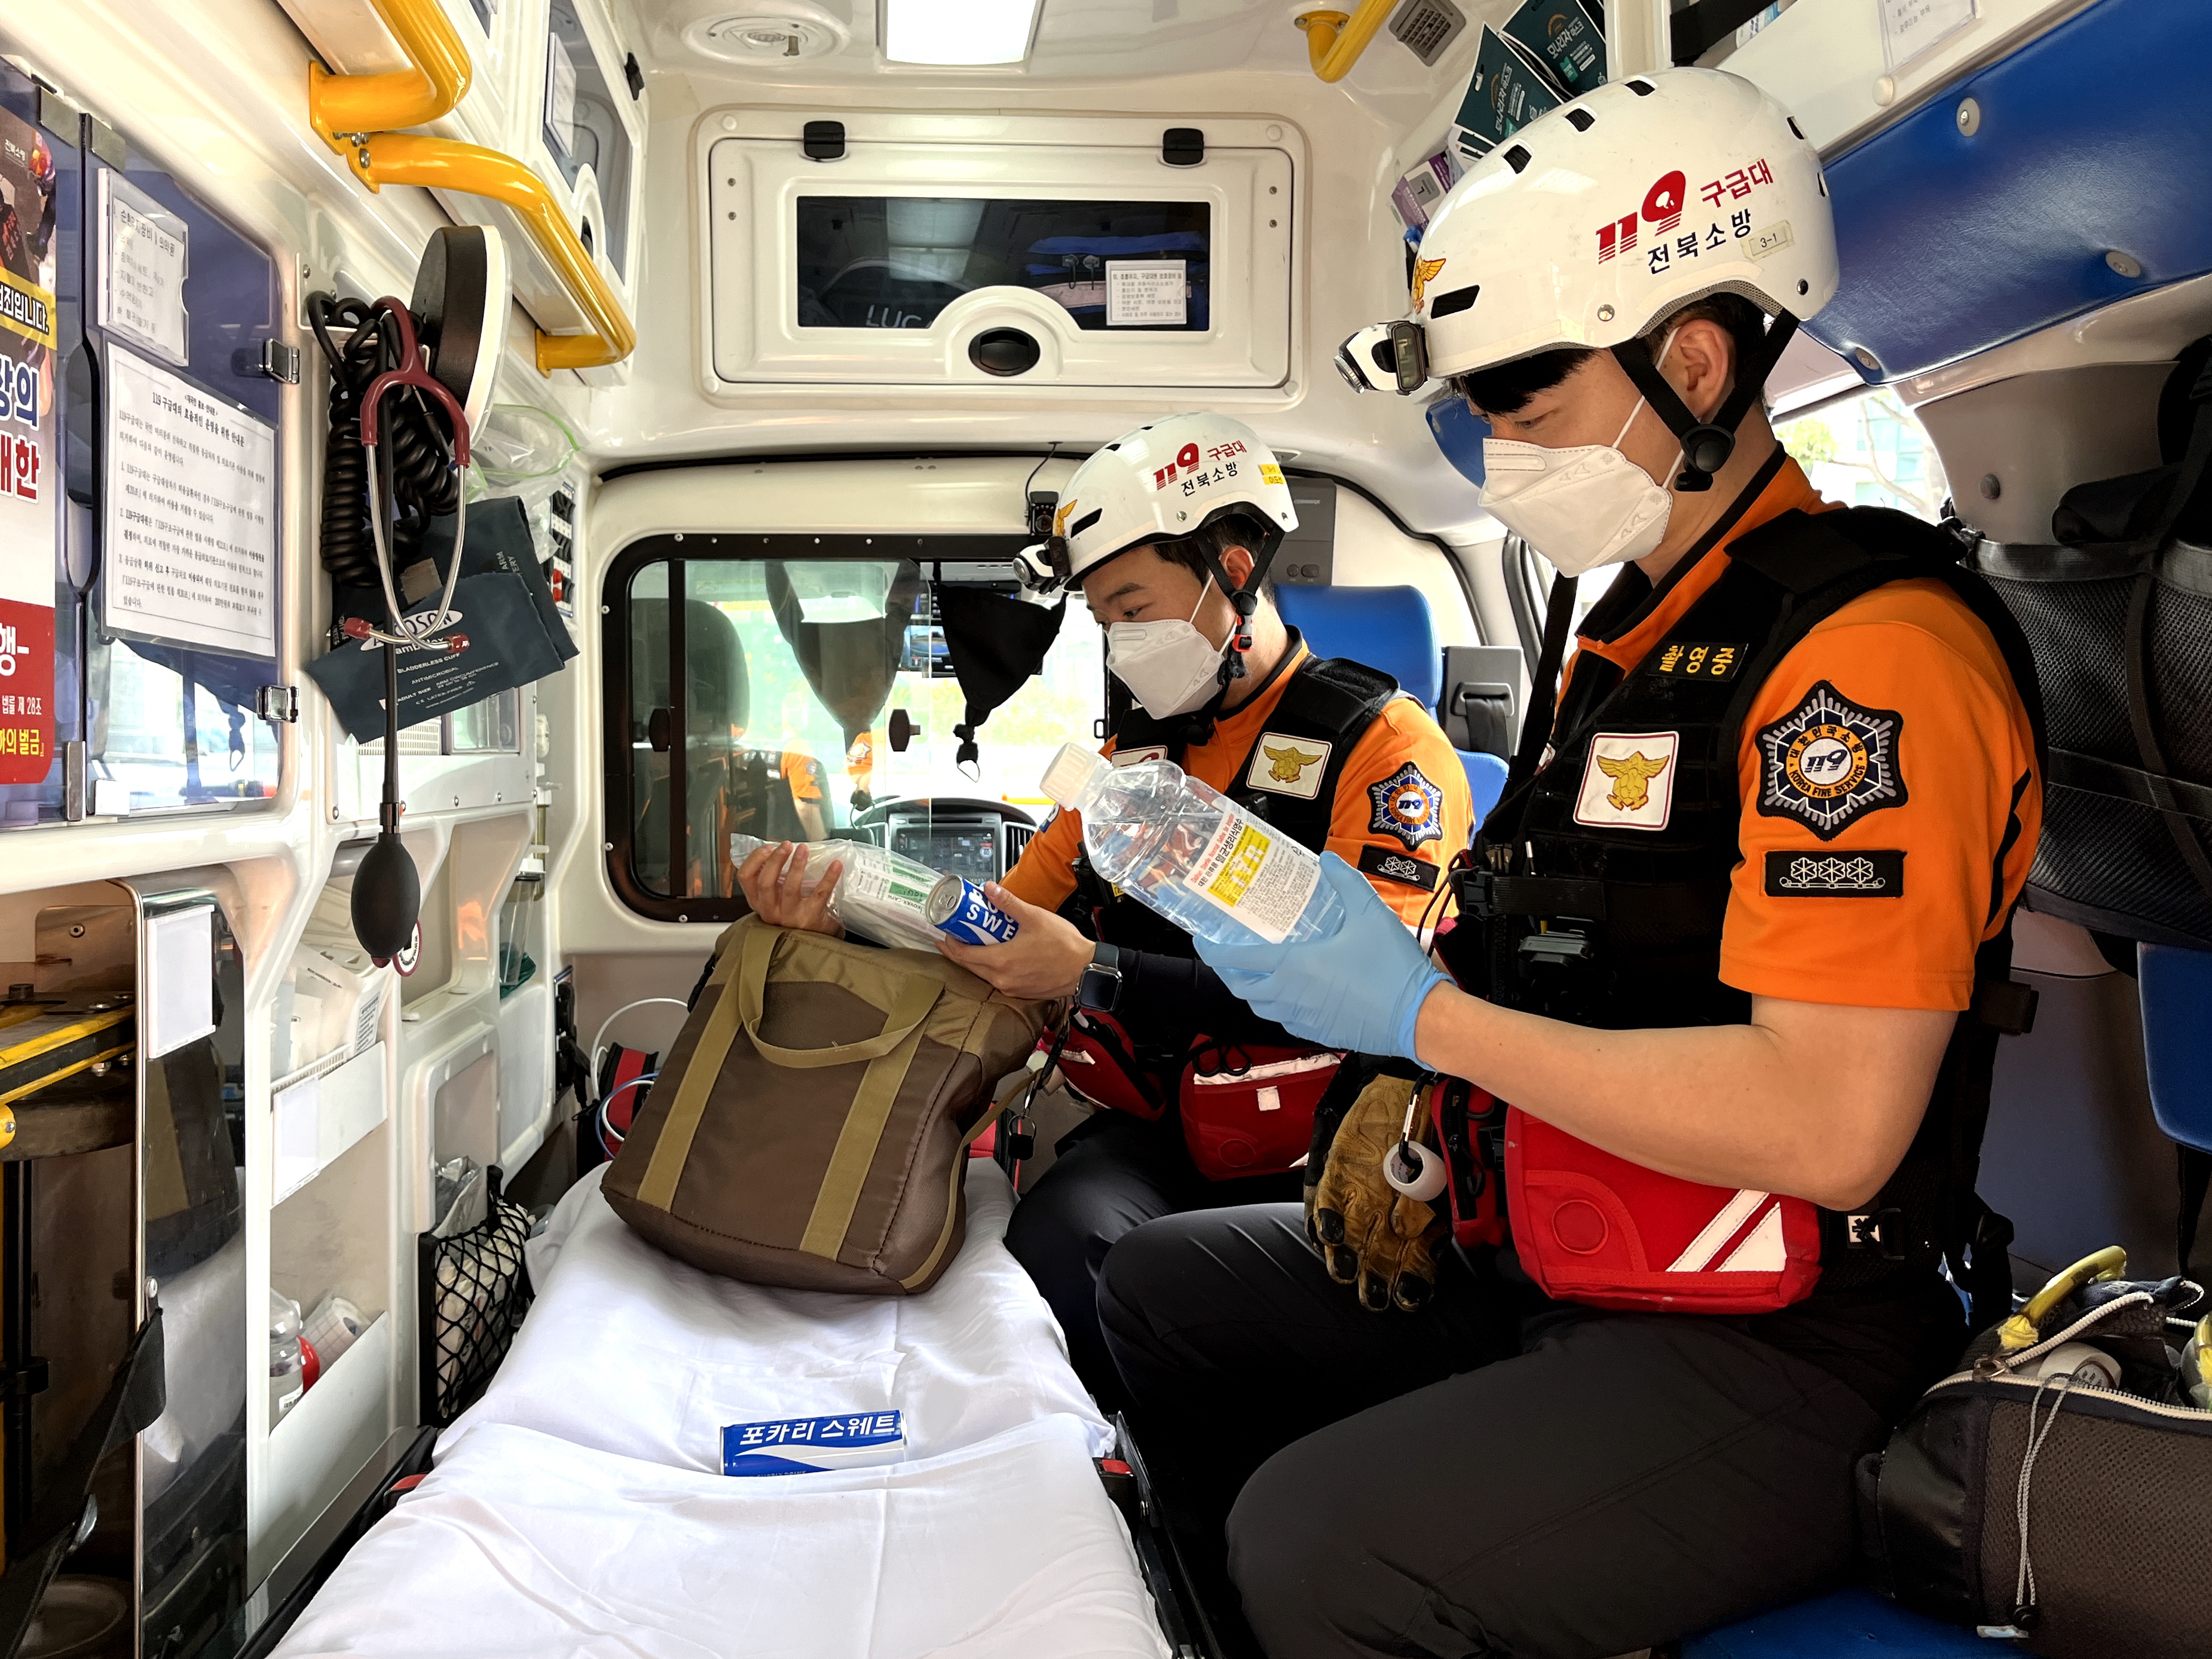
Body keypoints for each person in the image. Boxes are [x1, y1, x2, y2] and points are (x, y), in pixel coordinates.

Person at [1093, 69, 2043, 1658]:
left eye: (1524, 401)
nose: (1492, 447)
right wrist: (1409, 1080)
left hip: (1795, 1334)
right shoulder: (1626, 641)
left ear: (1693, 361)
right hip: (1570, 1240)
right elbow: (1566, 943)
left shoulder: (1865, 664)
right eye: (1474, 406)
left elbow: (1831, 1126)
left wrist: (1431, 1027)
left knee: (1321, 1545)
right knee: (1160, 1293)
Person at [740, 412, 1472, 1407]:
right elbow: (1000, 919)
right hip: (1146, 1128)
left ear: (1234, 567)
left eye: (1133, 606)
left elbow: (1378, 1001)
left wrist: (1095, 972)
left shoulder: (1384, 749)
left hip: (1317, 1140)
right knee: (1055, 1255)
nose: (1122, 641)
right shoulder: (1129, 765)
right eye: (1102, 619)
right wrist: (847, 916)